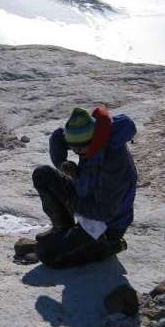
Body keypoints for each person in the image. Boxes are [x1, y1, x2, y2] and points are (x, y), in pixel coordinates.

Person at [30, 105, 137, 268]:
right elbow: (58, 137)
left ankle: (109, 246)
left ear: (93, 140)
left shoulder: (114, 162)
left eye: (80, 148)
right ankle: (62, 228)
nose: (77, 151)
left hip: (106, 224)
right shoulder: (89, 136)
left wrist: (71, 201)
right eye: (73, 147)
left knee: (47, 255)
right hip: (85, 198)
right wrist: (62, 163)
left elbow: (104, 212)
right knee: (42, 174)